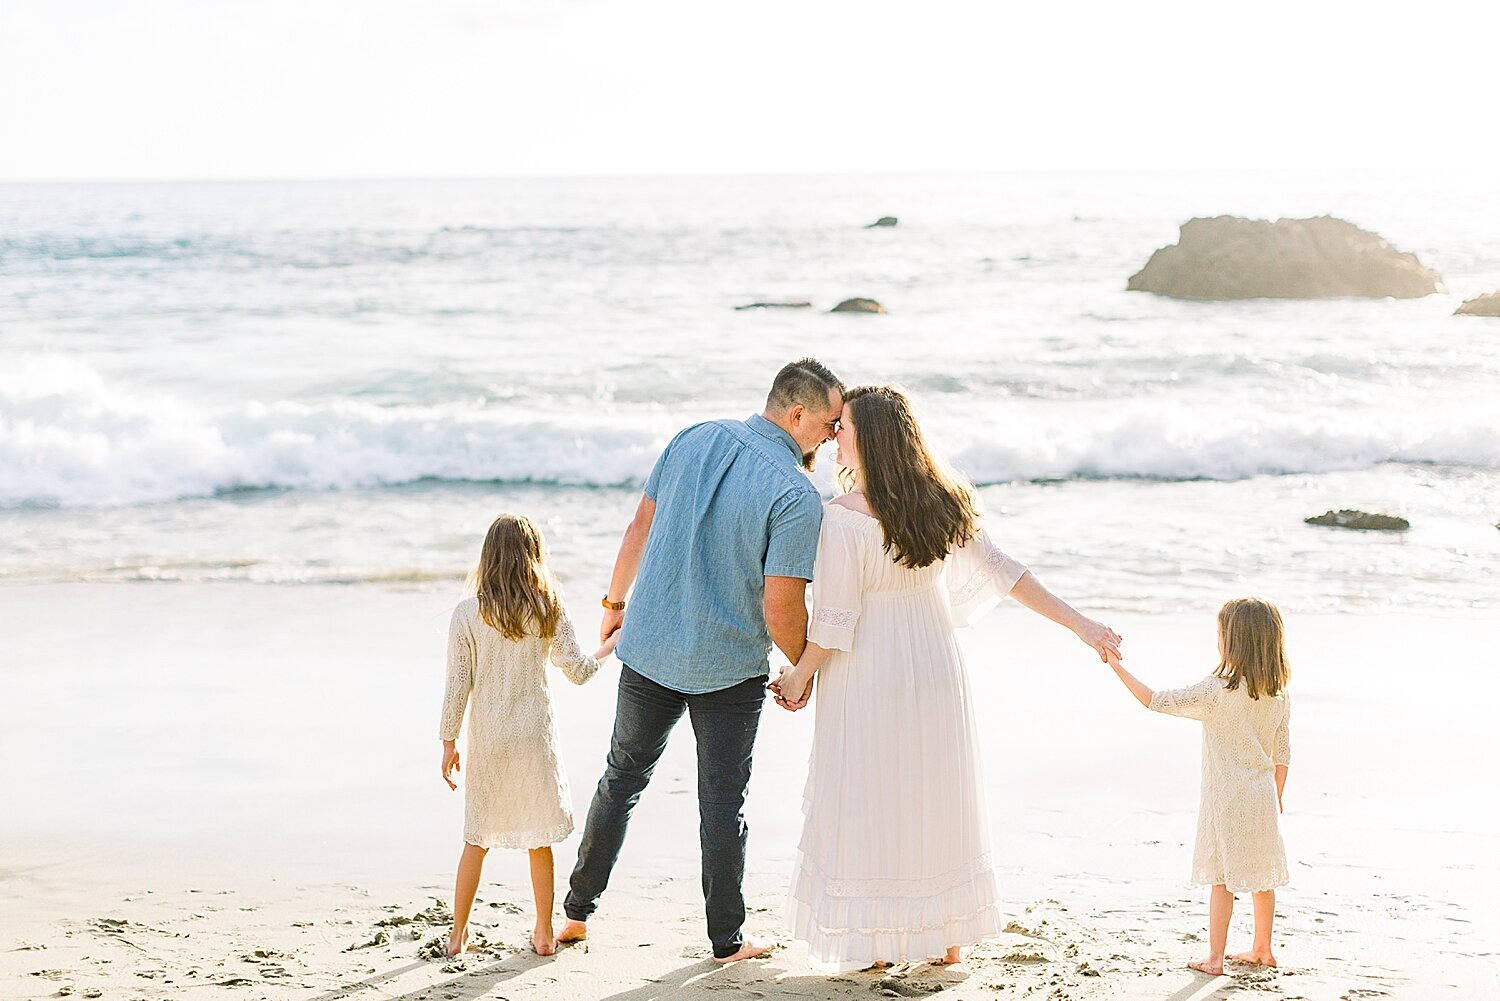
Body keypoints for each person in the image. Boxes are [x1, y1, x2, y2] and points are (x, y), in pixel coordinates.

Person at [771, 385, 1123, 971]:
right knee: (935, 793)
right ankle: (947, 939)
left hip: (870, 670)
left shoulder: (842, 519)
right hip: (935, 665)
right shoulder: (943, 502)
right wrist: (1080, 625)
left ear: (873, 439)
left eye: (845, 426)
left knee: (872, 796)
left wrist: (798, 677)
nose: (834, 435)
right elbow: (1007, 574)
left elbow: (834, 620)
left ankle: (876, 946)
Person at [558, 358, 845, 963]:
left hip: (651, 648)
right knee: (721, 803)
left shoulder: (694, 436)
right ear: (797, 415)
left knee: (621, 779)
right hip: (729, 668)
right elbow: (782, 606)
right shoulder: (796, 493)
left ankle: (577, 914)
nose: (832, 436)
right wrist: (804, 669)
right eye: (827, 423)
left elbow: (641, 522)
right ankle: (726, 940)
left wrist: (614, 601)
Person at [437, 514, 617, 958]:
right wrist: (613, 645)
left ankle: (457, 935)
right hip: (535, 739)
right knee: (539, 839)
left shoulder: (467, 613)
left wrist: (448, 742)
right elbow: (577, 670)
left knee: (476, 838)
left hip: (490, 741)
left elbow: (457, 683)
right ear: (534, 555)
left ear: (487, 556)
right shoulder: (548, 605)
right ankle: (542, 932)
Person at [1103, 596, 1292, 976]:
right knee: (1261, 879)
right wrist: (1278, 798)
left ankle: (1216, 959)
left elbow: (1155, 700)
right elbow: (1283, 752)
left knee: (1222, 880)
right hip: (1263, 798)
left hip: (1227, 801)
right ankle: (1263, 948)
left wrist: (1116, 666)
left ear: (1232, 641)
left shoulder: (1216, 690)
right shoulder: (1277, 694)